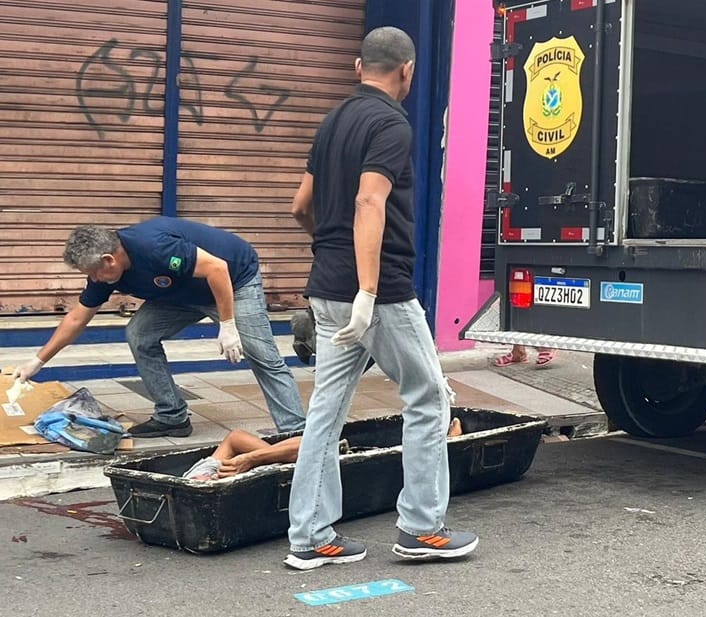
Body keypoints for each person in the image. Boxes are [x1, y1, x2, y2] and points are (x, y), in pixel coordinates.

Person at [284, 26, 479, 570]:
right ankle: (421, 528)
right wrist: (367, 288)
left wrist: (332, 256)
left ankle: (310, 537)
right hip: (381, 292)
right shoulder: (391, 123)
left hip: (326, 288)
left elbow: (302, 205)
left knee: (325, 411)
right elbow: (370, 201)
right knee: (428, 396)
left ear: (356, 67)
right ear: (408, 72)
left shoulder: (332, 122)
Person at [11, 217, 306, 438]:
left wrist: (228, 325)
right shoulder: (105, 273)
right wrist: (38, 361)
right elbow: (77, 317)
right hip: (181, 294)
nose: (94, 280)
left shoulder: (154, 247)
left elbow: (217, 268)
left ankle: (296, 434)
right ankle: (172, 416)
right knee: (140, 334)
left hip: (233, 280)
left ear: (108, 259)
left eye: (93, 273)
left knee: (260, 354)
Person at [182, 418, 464, 481]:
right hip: (311, 472)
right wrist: (258, 460)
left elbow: (235, 437)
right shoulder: (217, 490)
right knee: (394, 460)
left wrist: (253, 458)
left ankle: (447, 445)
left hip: (311, 459)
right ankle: (447, 446)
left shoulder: (201, 473)